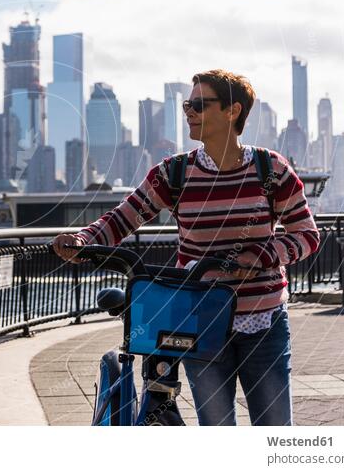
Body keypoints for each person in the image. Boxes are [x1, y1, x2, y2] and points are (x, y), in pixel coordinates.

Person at [52, 69, 320, 426]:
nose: (189, 112)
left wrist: (258, 256)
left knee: (274, 433)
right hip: (199, 321)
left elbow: (306, 235)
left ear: (232, 111)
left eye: (198, 104)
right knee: (216, 429)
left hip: (264, 323)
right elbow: (122, 218)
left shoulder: (270, 169)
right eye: (186, 105)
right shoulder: (174, 174)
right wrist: (83, 240)